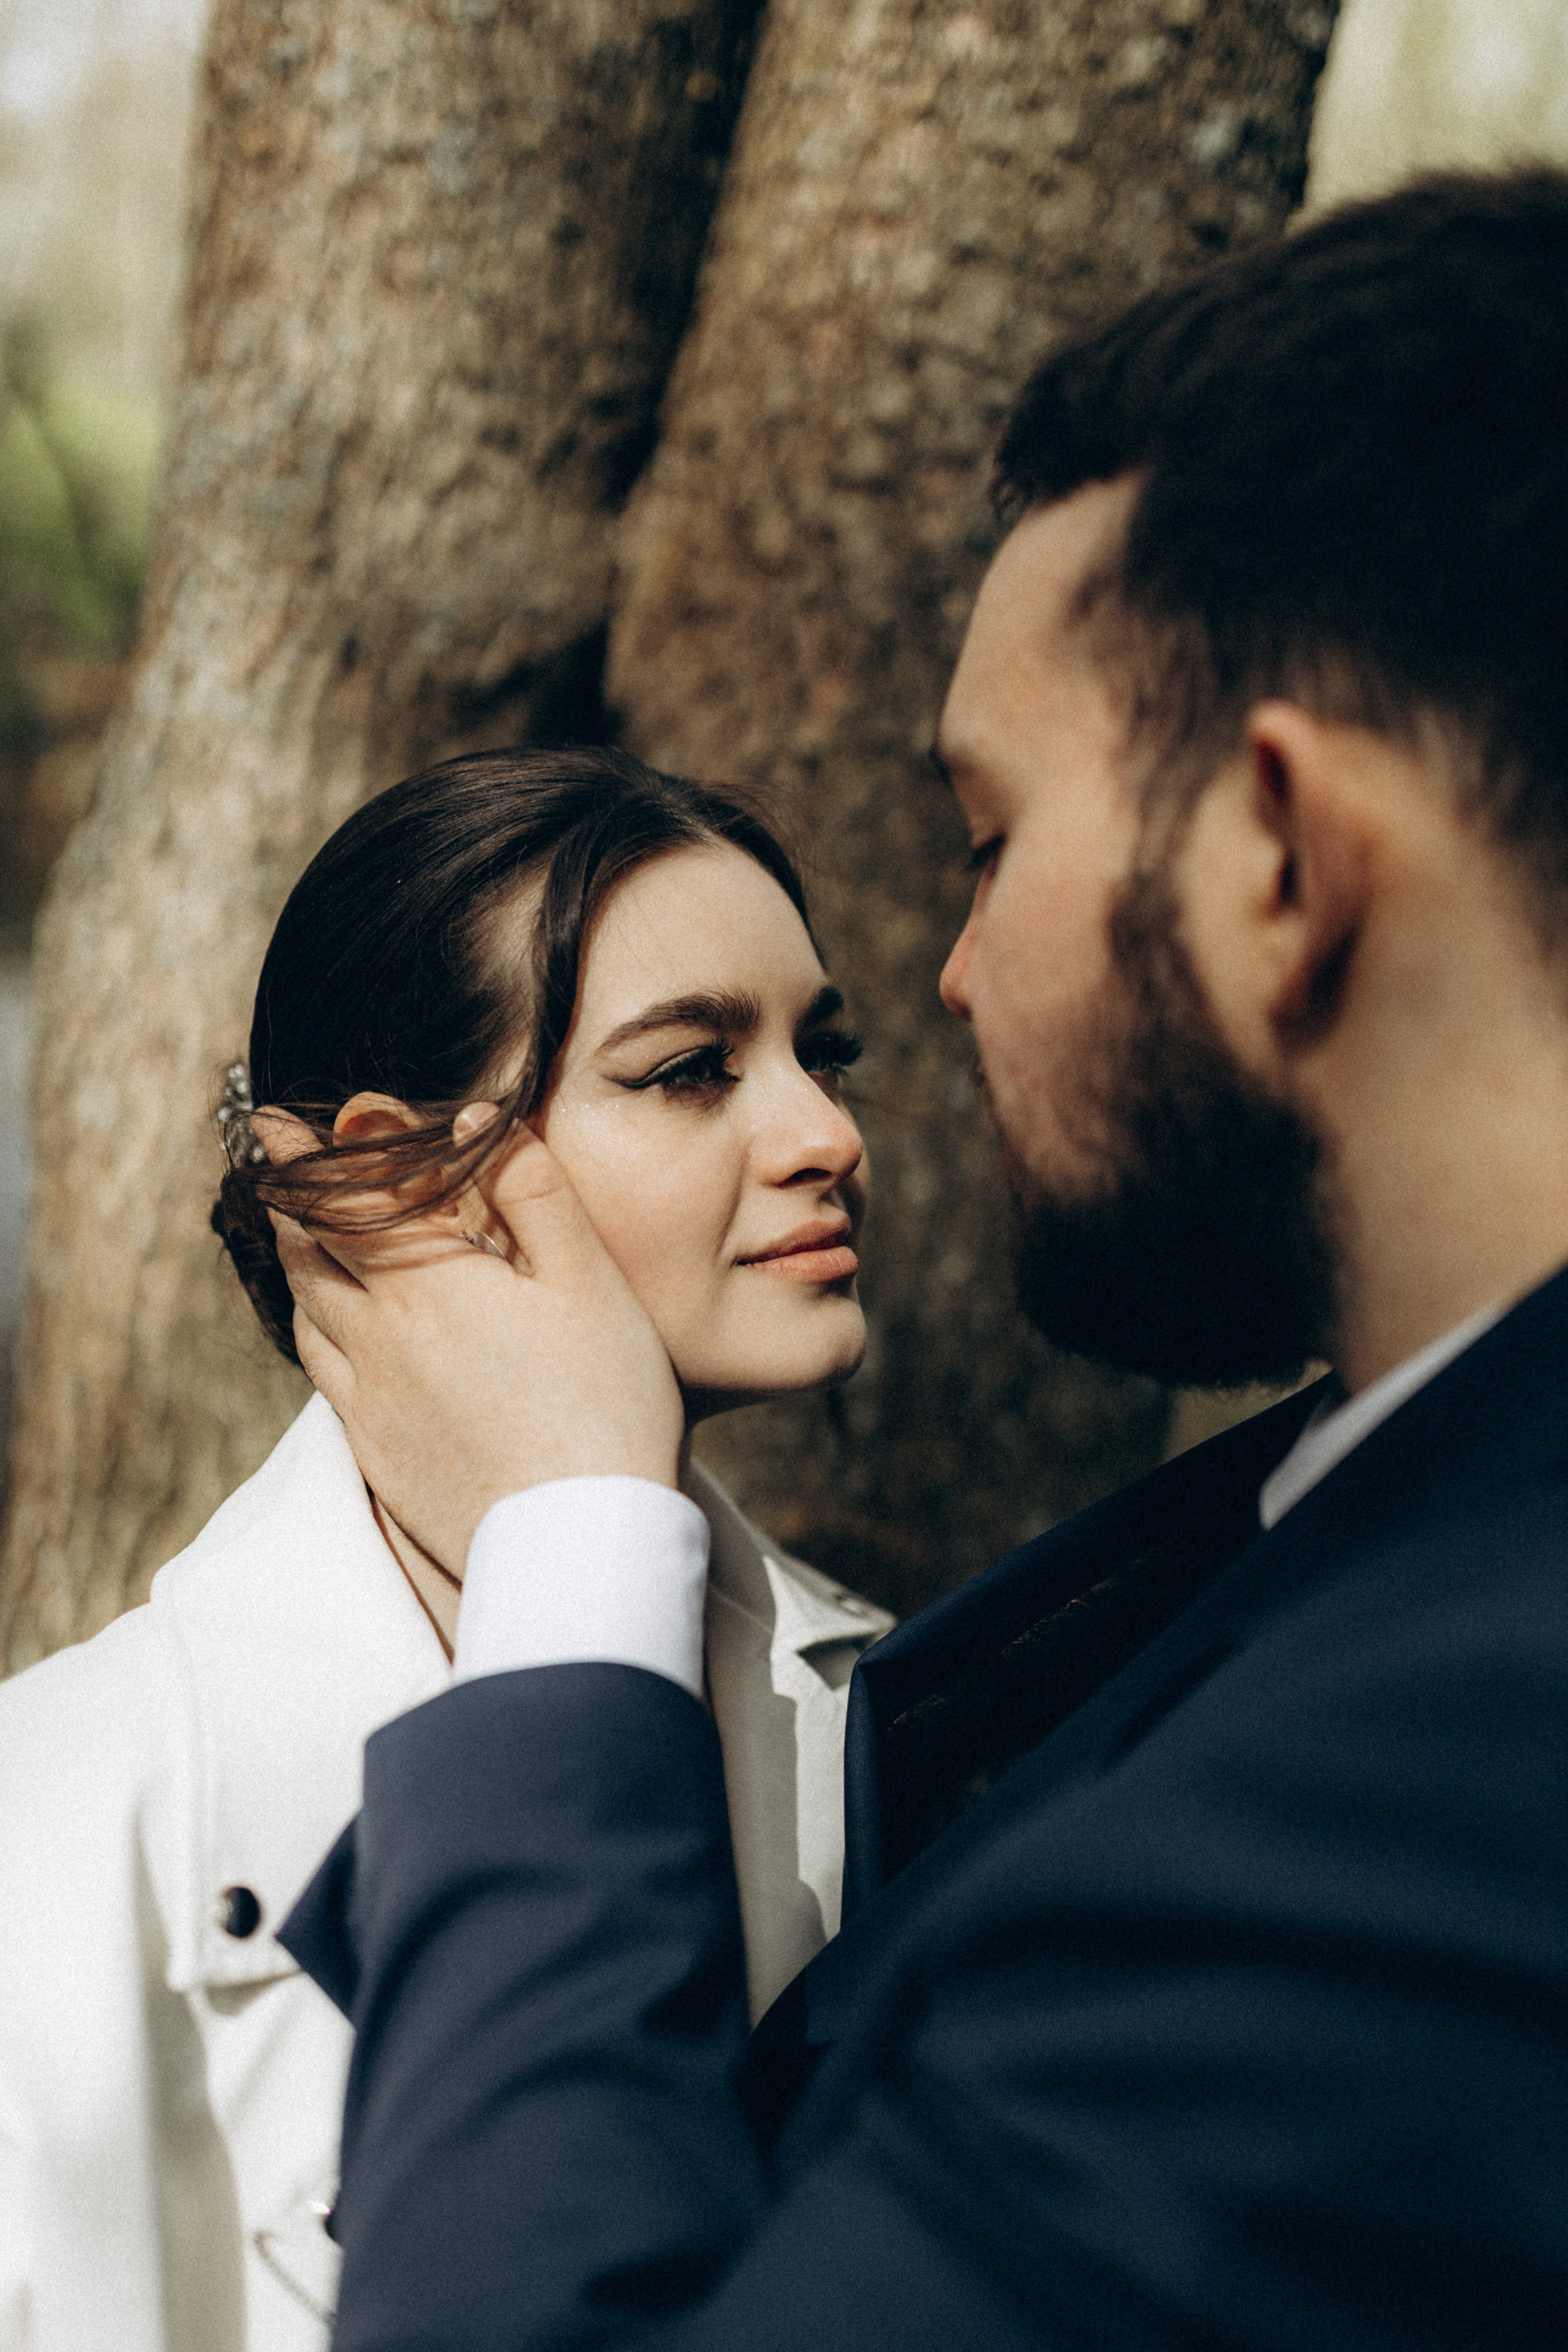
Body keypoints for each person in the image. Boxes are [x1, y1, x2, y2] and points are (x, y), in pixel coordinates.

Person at [276, 171, 1568, 2350]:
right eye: (689, 1065)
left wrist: (573, 1553)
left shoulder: (1422, 1779)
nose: (957, 979)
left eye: (993, 839)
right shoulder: (1290, 1572)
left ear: (1280, 853)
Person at [0, 747, 892, 2352]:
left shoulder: (910, 1713)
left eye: (824, 1054)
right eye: (693, 1068)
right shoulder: (54, 1821)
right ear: (406, 1178)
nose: (825, 1132)